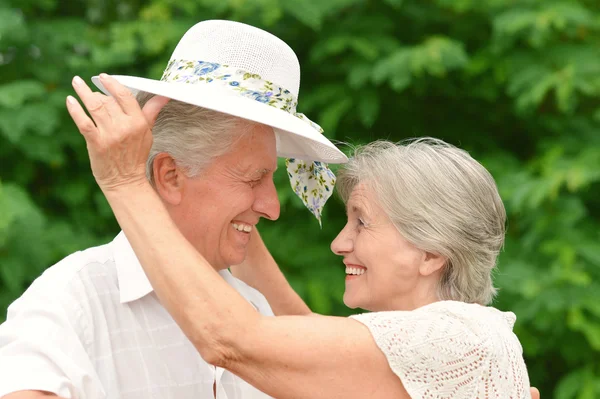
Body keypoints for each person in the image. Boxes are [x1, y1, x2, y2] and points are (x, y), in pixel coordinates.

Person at [66, 70, 540, 397]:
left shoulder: (458, 339)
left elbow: (233, 339)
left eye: (362, 221)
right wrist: (235, 202)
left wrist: (124, 181)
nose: (339, 242)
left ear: (431, 253)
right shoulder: (432, 348)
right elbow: (291, 320)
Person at [0, 20, 347, 399]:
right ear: (170, 176)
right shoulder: (73, 301)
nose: (273, 209)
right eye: (253, 179)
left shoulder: (256, 310)